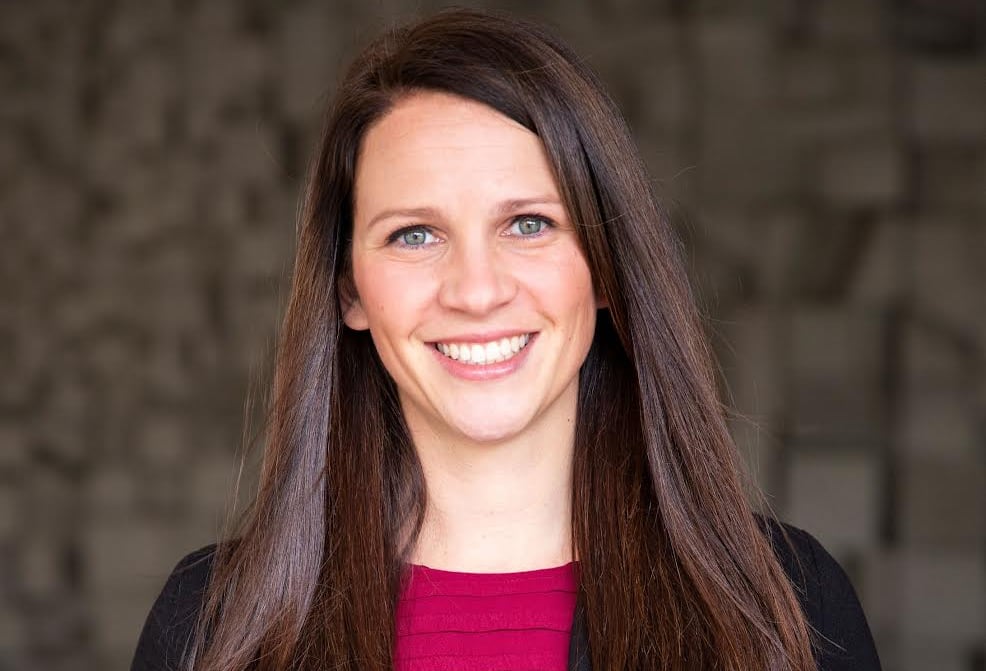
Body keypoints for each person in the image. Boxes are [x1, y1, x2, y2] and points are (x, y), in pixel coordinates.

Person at [130, 9, 881, 671]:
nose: (477, 290)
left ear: (606, 268)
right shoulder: (211, 626)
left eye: (528, 224)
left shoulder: (787, 608)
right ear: (349, 289)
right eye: (414, 234)